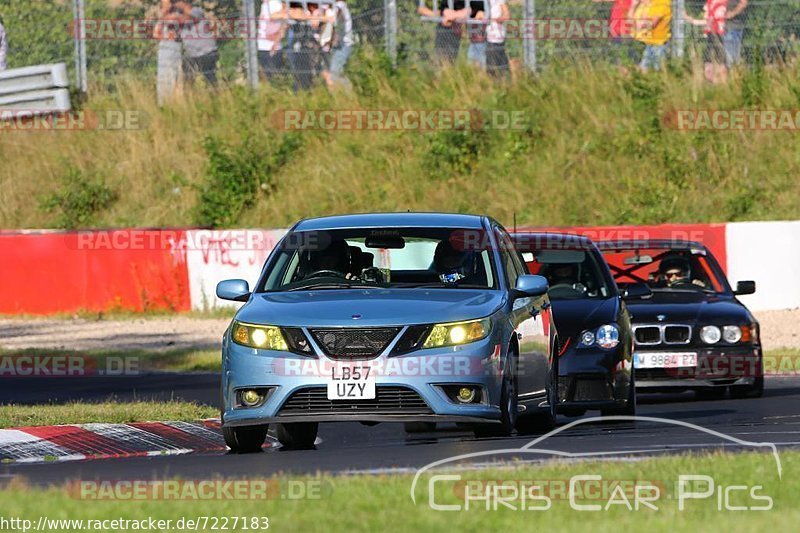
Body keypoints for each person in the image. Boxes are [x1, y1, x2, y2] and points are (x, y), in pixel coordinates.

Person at [155, 0, 192, 105]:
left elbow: (188, 18)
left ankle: (176, 105)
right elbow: (156, 33)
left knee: (177, 77)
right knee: (165, 77)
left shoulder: (177, 13)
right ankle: (164, 104)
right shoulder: (161, 16)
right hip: (166, 48)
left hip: (177, 46)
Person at [684, 0, 729, 84]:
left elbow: (712, 20)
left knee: (720, 61)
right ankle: (712, 82)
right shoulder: (710, 3)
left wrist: (693, 21)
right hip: (710, 34)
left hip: (717, 34)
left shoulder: (720, 3)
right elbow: (707, 19)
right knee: (708, 61)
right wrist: (693, 21)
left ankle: (722, 84)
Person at [630, 0, 671, 72]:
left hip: (659, 44)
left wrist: (639, 24)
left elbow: (652, 23)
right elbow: (645, 18)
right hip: (650, 42)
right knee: (643, 69)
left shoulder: (662, 3)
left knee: (656, 70)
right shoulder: (653, 3)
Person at [321, 0, 354, 89]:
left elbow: (333, 20)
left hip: (344, 45)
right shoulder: (334, 6)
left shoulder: (340, 5)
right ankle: (337, 96)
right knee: (326, 73)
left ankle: (350, 91)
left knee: (334, 74)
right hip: (336, 46)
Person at [182, 7, 218, 86]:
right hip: (193, 55)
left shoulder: (196, 14)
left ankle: (215, 95)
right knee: (188, 77)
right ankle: (190, 95)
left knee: (210, 78)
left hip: (207, 52)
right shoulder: (181, 25)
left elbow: (195, 15)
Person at [257, 0, 287, 84]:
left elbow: (284, 22)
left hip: (272, 47)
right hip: (262, 45)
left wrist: (276, 42)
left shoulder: (275, 3)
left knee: (274, 77)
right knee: (267, 76)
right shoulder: (265, 4)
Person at [485, 0, 510, 79]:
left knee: (501, 69)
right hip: (487, 38)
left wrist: (497, 19)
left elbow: (507, 15)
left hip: (497, 38)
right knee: (491, 70)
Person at [723, 0, 747, 67]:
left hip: (733, 26)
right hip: (721, 26)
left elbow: (743, 3)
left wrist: (733, 13)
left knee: (732, 56)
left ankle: (734, 73)